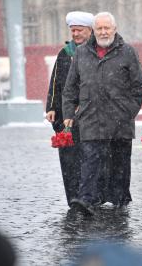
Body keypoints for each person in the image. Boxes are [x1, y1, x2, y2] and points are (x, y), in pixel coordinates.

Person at [62, 12, 142, 215]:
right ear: (94, 30)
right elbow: (70, 88)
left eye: (107, 28)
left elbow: (139, 88)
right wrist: (68, 114)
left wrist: (128, 112)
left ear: (114, 29)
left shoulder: (127, 52)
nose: (103, 32)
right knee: (90, 161)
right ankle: (86, 200)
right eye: (99, 28)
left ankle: (119, 200)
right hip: (91, 119)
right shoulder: (82, 53)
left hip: (120, 121)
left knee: (120, 164)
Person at [45, 11, 93, 207]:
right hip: (66, 115)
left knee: (90, 158)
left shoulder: (96, 51)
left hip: (90, 115)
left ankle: (88, 197)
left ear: (90, 31)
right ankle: (73, 198)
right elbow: (56, 82)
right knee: (69, 160)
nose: (75, 34)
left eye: (79, 30)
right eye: (73, 30)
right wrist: (51, 106)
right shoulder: (65, 53)